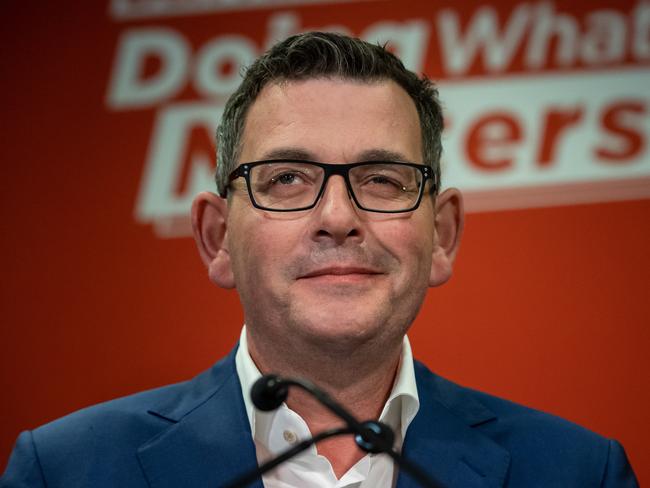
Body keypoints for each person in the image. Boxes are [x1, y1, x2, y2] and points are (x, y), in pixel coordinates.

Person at [1, 32, 638, 488]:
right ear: (218, 238)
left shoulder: (578, 471)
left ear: (442, 235)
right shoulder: (64, 470)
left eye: (383, 179)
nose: (338, 217)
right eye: (286, 179)